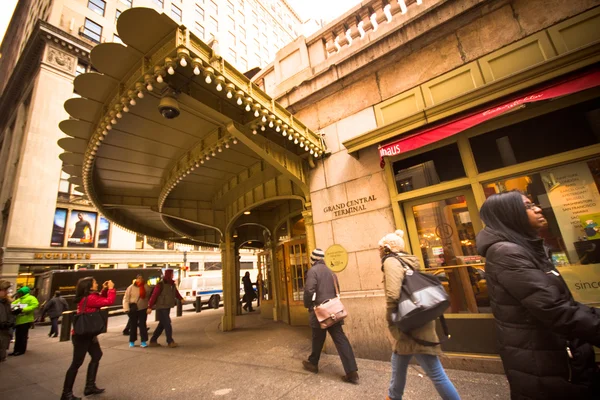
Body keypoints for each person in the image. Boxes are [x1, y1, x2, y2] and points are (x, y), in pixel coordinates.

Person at [476, 191, 600, 399]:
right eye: (528, 206)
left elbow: (559, 303)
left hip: (558, 360)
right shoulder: (506, 253)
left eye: (533, 203)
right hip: (546, 366)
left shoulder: (526, 248)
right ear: (510, 214)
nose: (538, 209)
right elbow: (555, 308)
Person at [379, 230, 460, 400]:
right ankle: (393, 397)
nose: (378, 252)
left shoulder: (391, 261)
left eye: (379, 248)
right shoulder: (407, 261)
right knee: (398, 360)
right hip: (415, 317)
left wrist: (391, 318)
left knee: (436, 373)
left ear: (386, 249)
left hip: (410, 323)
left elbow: (393, 294)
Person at [302, 248, 359, 384]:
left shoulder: (313, 271)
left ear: (313, 260)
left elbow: (309, 290)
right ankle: (352, 372)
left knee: (317, 337)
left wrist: (307, 304)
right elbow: (337, 289)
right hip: (333, 312)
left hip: (319, 311)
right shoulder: (331, 272)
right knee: (340, 339)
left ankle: (313, 363)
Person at [61, 277, 116, 400]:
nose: (97, 283)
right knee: (76, 363)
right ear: (89, 287)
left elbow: (99, 300)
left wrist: (104, 289)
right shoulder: (90, 298)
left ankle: (90, 386)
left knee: (97, 355)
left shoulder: (89, 297)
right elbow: (108, 301)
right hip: (82, 336)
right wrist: (111, 289)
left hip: (88, 334)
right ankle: (66, 393)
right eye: (95, 283)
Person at [147, 269, 183, 348]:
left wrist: (181, 298)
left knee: (162, 324)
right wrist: (150, 306)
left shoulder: (172, 284)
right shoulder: (160, 284)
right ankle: (170, 341)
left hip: (167, 306)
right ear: (168, 274)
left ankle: (153, 340)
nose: (173, 275)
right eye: (172, 274)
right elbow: (154, 295)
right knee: (167, 323)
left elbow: (175, 293)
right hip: (161, 307)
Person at [10, 286, 39, 356]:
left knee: (23, 336)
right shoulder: (20, 299)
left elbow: (35, 305)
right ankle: (16, 350)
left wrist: (23, 309)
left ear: (23, 293)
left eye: (20, 292)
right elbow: (12, 304)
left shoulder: (31, 298)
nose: (19, 294)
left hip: (26, 320)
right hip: (19, 320)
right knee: (18, 336)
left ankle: (21, 350)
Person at [123, 274, 150, 348]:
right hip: (133, 308)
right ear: (136, 279)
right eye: (138, 278)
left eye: (141, 278)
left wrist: (149, 307)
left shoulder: (146, 287)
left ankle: (143, 341)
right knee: (133, 325)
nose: (139, 280)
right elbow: (126, 298)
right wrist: (126, 308)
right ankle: (132, 341)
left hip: (143, 308)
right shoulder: (130, 287)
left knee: (143, 325)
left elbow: (148, 296)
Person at [0, 280, 15, 362]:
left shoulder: (7, 302)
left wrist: (10, 322)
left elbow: (10, 315)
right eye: (5, 290)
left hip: (5, 332)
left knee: (2, 353)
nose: (6, 292)